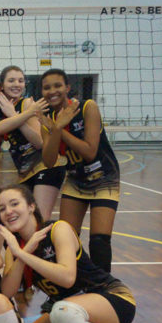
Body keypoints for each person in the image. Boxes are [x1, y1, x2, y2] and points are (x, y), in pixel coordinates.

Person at [0, 184, 135, 323]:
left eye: (14, 204)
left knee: (62, 312)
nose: (8, 211)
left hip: (113, 300)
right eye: (2, 208)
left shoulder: (57, 229)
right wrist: (20, 256)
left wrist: (24, 254)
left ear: (31, 206)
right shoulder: (14, 246)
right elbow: (7, 293)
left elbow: (67, 278)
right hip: (70, 309)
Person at [40, 68, 120, 274]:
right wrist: (56, 128)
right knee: (66, 239)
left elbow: (90, 152)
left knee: (99, 241)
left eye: (57, 85)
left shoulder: (87, 107)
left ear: (67, 88)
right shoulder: (47, 119)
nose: (52, 91)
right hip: (76, 179)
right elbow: (48, 161)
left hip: (104, 178)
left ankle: (104, 290)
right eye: (47, 87)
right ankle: (71, 286)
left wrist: (60, 130)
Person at [0, 66, 62, 222]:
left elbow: (40, 142)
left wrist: (14, 115)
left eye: (20, 80)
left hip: (45, 166)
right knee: (25, 221)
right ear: (2, 85)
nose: (17, 84)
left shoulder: (26, 104)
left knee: (38, 219)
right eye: (11, 80)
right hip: (25, 171)